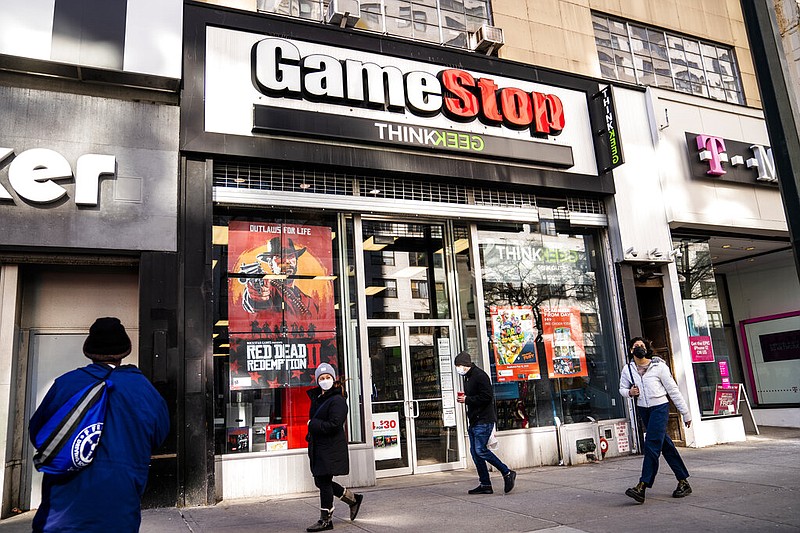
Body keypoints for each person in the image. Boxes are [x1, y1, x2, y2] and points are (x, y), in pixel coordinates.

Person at [29, 317, 170, 532]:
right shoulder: (144, 390)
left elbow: (38, 433)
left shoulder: (65, 384)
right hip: (119, 513)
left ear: (89, 352)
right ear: (125, 352)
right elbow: (159, 436)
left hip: (61, 516)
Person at [619, 337, 693, 504]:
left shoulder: (659, 366)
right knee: (666, 445)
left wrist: (685, 413)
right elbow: (622, 389)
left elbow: (673, 390)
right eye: (636, 346)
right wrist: (630, 392)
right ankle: (683, 481)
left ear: (647, 349)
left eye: (642, 346)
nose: (639, 348)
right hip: (644, 409)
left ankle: (642, 485)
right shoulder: (628, 369)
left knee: (651, 444)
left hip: (659, 407)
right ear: (631, 350)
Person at [305, 363, 363, 531]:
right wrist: (311, 432)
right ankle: (353, 499)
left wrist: (313, 424)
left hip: (330, 448)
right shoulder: (318, 399)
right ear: (317, 380)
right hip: (319, 447)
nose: (324, 381)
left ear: (333, 379)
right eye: (321, 378)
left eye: (327, 378)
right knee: (321, 481)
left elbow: (335, 424)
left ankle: (326, 519)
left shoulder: (337, 400)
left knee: (323, 482)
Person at [454, 350, 516, 495]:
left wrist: (468, 400)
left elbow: (487, 396)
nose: (458, 369)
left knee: (480, 450)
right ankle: (485, 484)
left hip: (484, 419)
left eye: (458, 366)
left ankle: (506, 472)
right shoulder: (468, 377)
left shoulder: (480, 376)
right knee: (475, 453)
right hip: (475, 420)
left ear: (465, 365)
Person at [240, 237, 319, 317]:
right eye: (280, 256)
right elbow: (256, 302)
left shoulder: (309, 301)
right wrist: (257, 297)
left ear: (296, 261)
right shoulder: (269, 288)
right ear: (270, 264)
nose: (286, 261)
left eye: (291, 256)